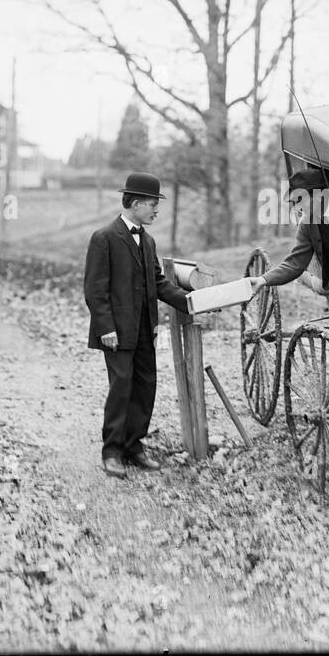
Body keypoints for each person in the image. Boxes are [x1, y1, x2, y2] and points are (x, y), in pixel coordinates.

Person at [84, 172, 190, 480]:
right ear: (135, 203)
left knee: (145, 387)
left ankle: (133, 445)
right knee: (121, 388)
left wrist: (189, 301)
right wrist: (106, 327)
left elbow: (157, 282)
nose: (157, 211)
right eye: (153, 204)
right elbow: (94, 289)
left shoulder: (148, 240)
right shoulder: (104, 238)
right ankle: (112, 451)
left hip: (145, 330)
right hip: (116, 332)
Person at [249, 168, 329, 396]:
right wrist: (263, 279)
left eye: (299, 200)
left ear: (319, 194)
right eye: (293, 203)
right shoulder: (307, 225)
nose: (297, 207)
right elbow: (295, 263)